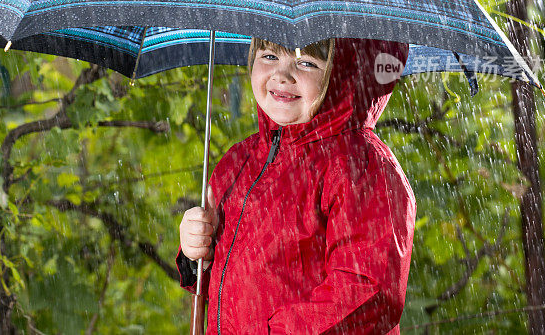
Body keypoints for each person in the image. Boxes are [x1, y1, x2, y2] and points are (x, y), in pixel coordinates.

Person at [177, 37, 416, 334]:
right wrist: (195, 252)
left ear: (347, 74)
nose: (281, 75)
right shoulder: (237, 162)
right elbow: (229, 283)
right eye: (269, 56)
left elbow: (365, 292)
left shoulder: (361, 166)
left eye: (306, 63)